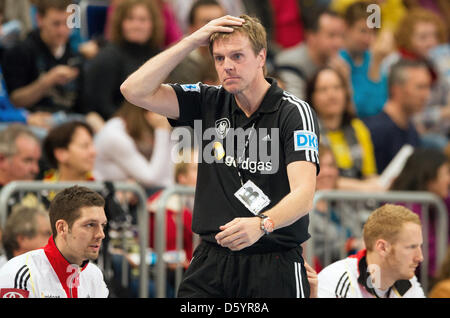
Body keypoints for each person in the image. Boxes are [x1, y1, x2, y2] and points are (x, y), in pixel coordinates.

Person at [121, 14, 320, 297]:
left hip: (273, 258)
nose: (227, 66)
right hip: (212, 260)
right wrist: (190, 42)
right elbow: (133, 90)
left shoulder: (292, 112)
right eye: (219, 58)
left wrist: (262, 224)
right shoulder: (208, 100)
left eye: (237, 56)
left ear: (261, 56)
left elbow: (305, 193)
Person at [0, 185, 108, 298]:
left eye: (103, 225)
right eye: (90, 225)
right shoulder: (20, 273)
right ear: (62, 228)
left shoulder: (94, 274)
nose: (101, 234)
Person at [318, 204, 425, 298]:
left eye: (420, 246)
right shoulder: (337, 281)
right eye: (411, 247)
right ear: (382, 248)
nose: (420, 257)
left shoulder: (409, 282)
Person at [1, 0, 86, 116]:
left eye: (67, 23)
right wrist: (47, 81)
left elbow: (83, 104)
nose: (62, 30)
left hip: (70, 119)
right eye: (56, 24)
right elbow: (15, 101)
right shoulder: (21, 51)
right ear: (40, 20)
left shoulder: (75, 53)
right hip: (33, 120)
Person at [83, 0, 164, 120]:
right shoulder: (107, 57)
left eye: (142, 20)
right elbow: (100, 106)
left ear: (153, 24)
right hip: (117, 125)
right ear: (120, 23)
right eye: (130, 19)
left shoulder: (159, 56)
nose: (136, 25)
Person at [306, 67, 382, 191]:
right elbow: (317, 179)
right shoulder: (306, 130)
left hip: (359, 205)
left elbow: (369, 174)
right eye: (323, 89)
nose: (332, 95)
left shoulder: (358, 128)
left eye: (337, 88)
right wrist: (361, 187)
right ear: (312, 96)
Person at [390, 147, 450, 278]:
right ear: (429, 176)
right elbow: (425, 259)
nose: (449, 180)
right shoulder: (404, 209)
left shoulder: (439, 202)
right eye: (446, 173)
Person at [363, 59, 431, 174]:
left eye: (428, 87)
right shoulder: (374, 130)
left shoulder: (412, 130)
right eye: (420, 87)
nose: (426, 95)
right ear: (397, 89)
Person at [94, 101, 174, 191]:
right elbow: (151, 178)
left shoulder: (127, 129)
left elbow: (168, 178)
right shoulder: (115, 136)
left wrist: (166, 131)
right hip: (105, 197)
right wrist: (162, 131)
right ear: (147, 112)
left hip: (123, 198)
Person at [274, 8, 346, 100]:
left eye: (341, 36)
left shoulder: (337, 64)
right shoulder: (290, 63)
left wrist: (345, 82)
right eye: (331, 35)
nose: (338, 43)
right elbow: (295, 109)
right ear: (311, 37)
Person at [339, 1, 392, 118]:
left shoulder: (372, 58)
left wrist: (376, 63)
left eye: (374, 32)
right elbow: (359, 109)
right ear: (346, 27)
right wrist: (376, 64)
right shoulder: (338, 59)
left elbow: (381, 105)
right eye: (363, 31)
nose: (369, 39)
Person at [167, 0, 226, 85]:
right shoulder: (180, 58)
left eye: (220, 20)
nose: (217, 27)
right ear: (192, 28)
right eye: (208, 22)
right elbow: (191, 97)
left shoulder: (227, 52)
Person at [0, 124, 42, 214]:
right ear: (2, 160)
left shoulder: (41, 193)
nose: (36, 169)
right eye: (28, 160)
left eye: (37, 161)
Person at [42, 121, 96, 185]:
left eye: (92, 145)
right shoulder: (43, 192)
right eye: (84, 146)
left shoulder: (103, 191)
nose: (94, 152)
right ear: (61, 154)